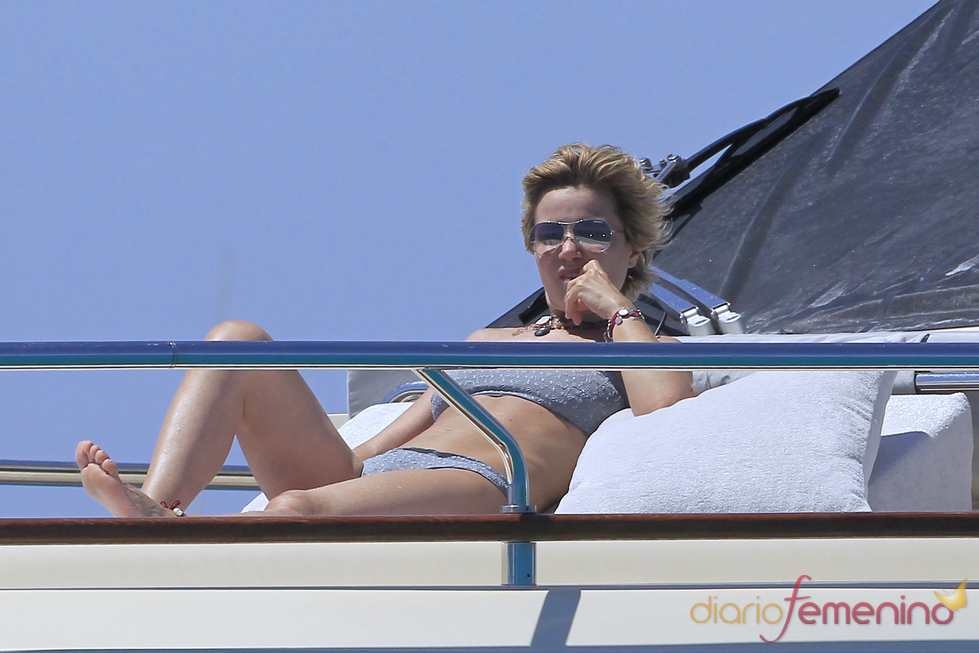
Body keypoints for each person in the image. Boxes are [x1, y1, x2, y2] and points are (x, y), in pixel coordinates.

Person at [76, 143, 698, 518]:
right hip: (383, 480)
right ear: (531, 248)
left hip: (483, 485)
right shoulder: (487, 344)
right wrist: (346, 466)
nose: (567, 248)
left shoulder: (646, 348)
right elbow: (379, 446)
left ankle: (201, 544)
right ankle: (154, 512)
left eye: (591, 232)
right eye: (548, 234)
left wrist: (617, 308)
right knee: (237, 339)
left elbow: (665, 412)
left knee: (294, 508)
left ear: (633, 247)